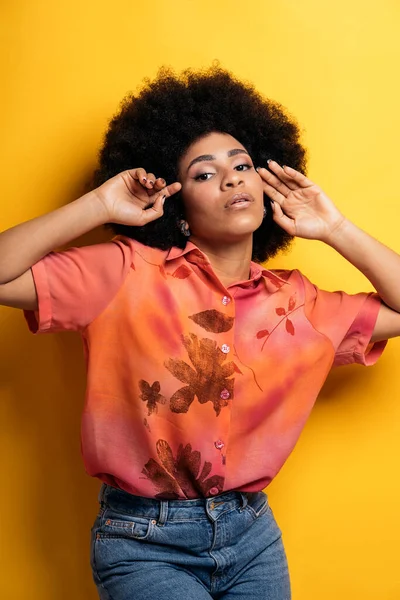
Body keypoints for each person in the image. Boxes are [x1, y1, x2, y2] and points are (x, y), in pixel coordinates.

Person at [1, 65, 399, 600]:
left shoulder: (298, 303)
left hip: (252, 537)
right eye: (204, 174)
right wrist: (98, 204)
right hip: (144, 541)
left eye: (243, 165)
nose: (233, 178)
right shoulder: (124, 272)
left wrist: (334, 228)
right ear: (178, 207)